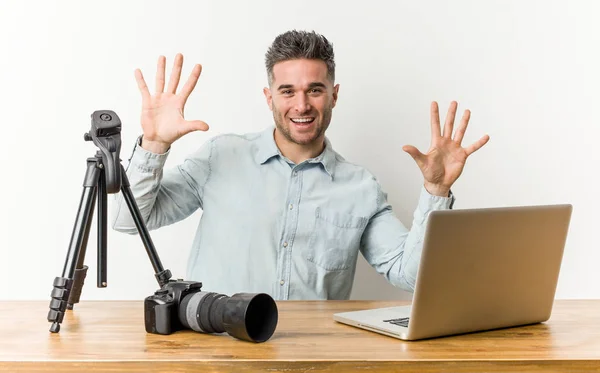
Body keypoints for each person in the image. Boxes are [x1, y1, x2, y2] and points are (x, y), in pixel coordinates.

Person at [112, 30, 489, 300]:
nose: (302, 105)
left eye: (315, 90)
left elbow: (411, 275)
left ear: (334, 95)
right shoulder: (219, 157)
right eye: (288, 91)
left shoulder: (360, 188)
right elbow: (128, 221)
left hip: (313, 359)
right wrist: (154, 145)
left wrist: (436, 191)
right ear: (269, 97)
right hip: (219, 354)